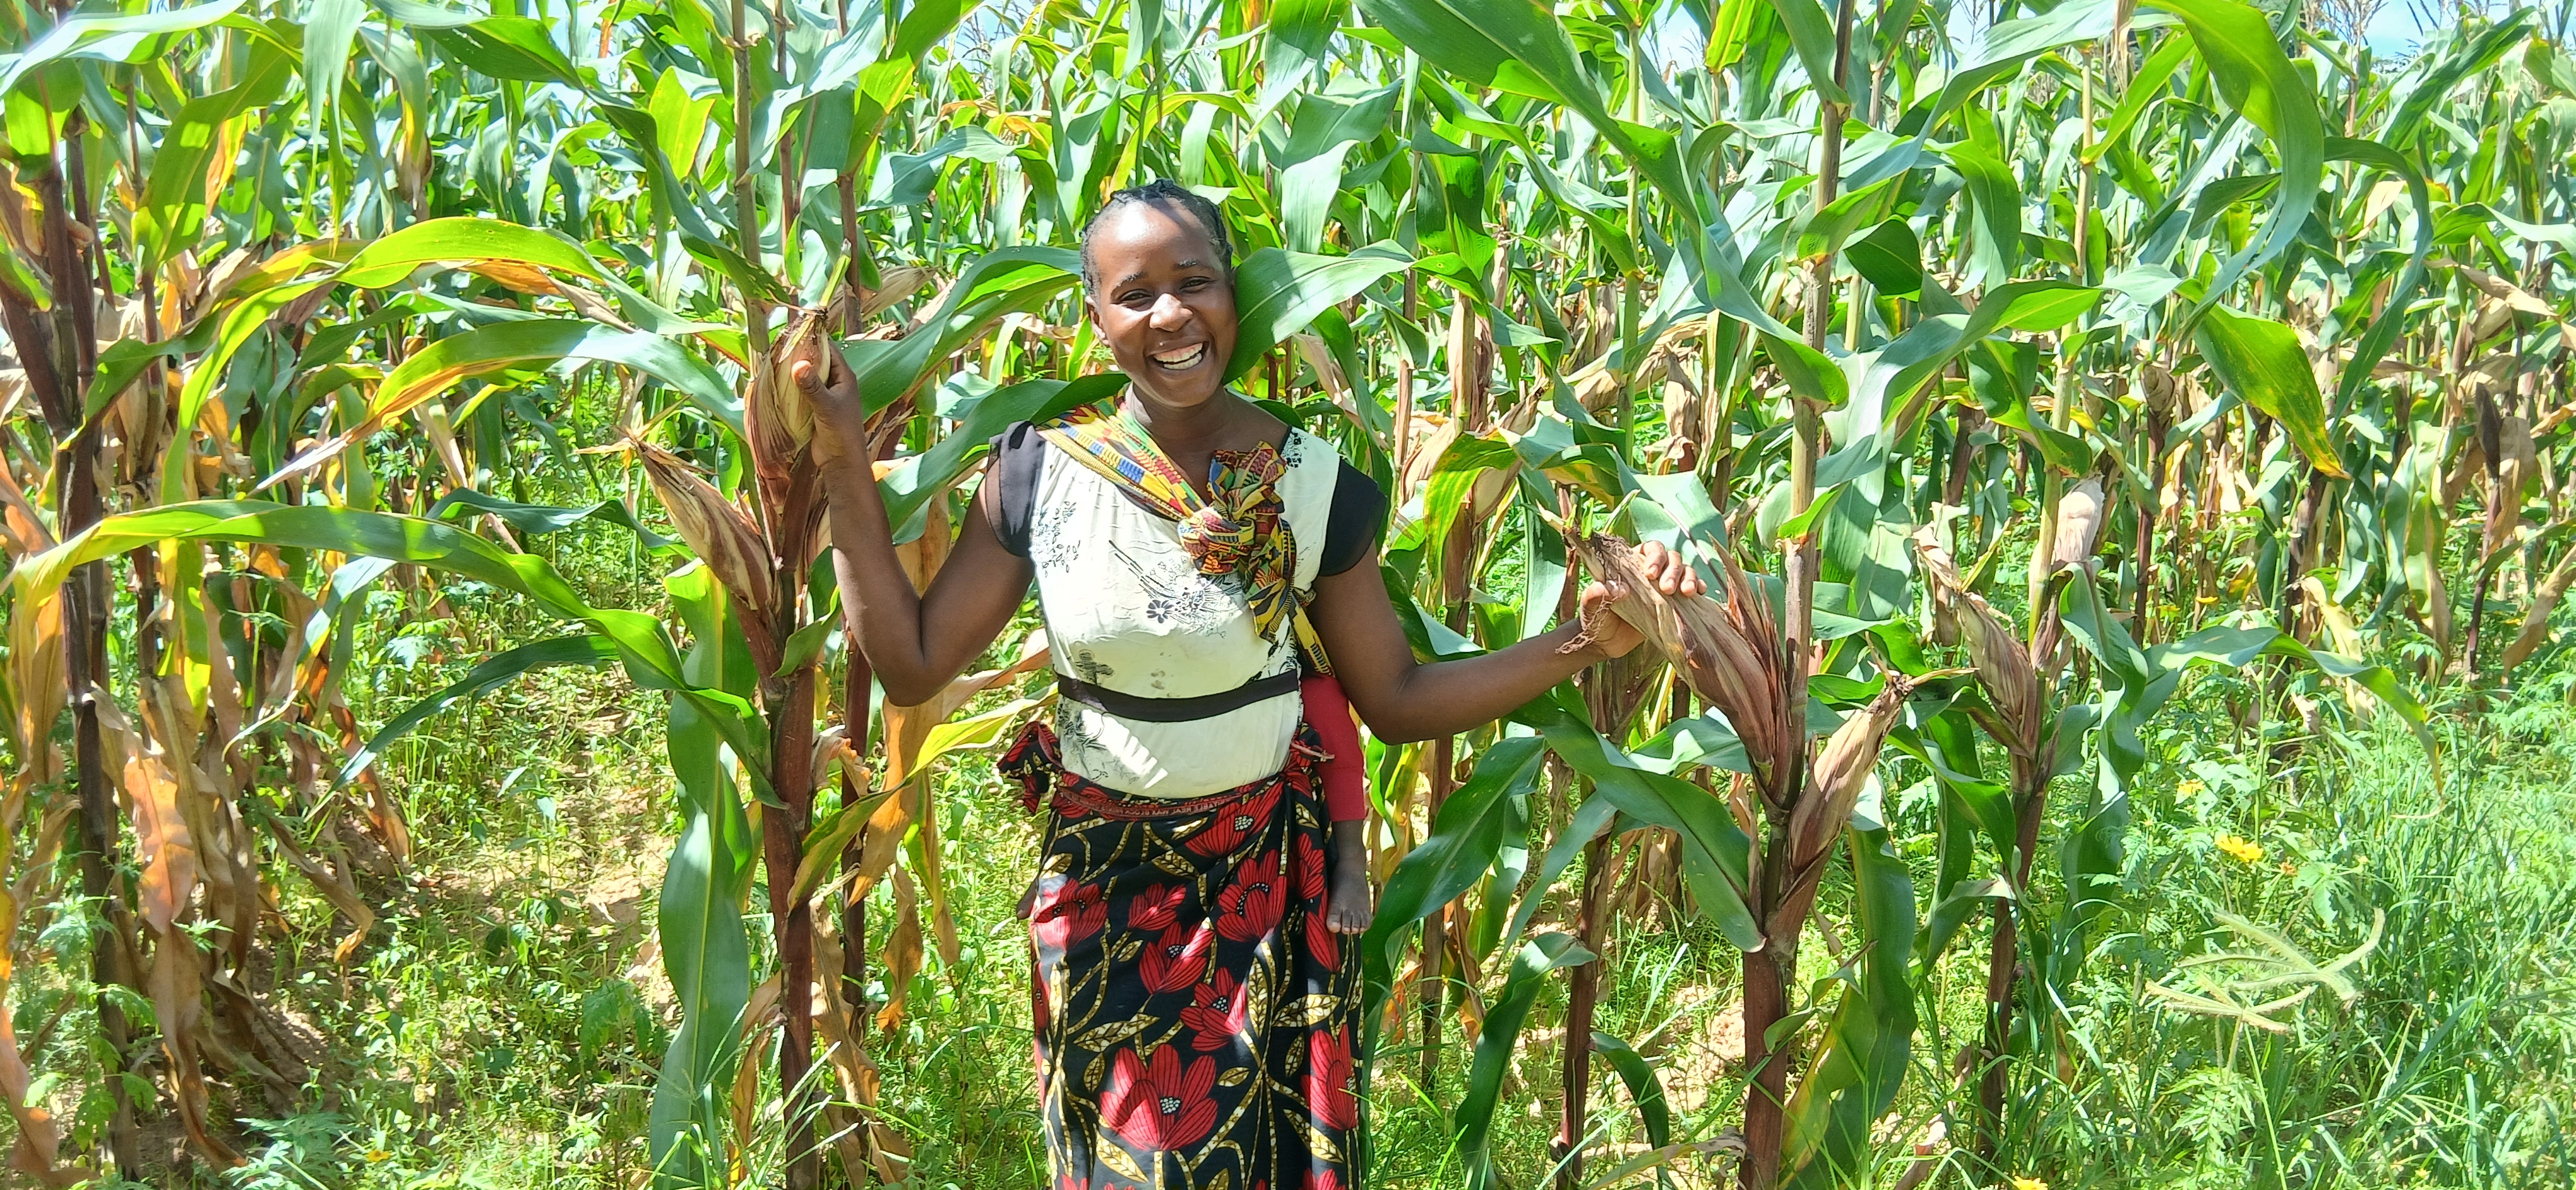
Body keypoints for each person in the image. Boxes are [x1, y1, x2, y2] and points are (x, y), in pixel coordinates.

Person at [801, 177, 1699, 1190]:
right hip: (1106, 884)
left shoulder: (1314, 487)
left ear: (1238, 298)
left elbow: (1397, 700)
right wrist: (840, 457)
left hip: (1265, 883)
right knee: (1125, 1165)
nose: (1171, 314)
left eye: (1196, 282)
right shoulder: (1042, 477)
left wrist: (1587, 638)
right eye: (1134, 294)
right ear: (1095, 320)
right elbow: (913, 660)